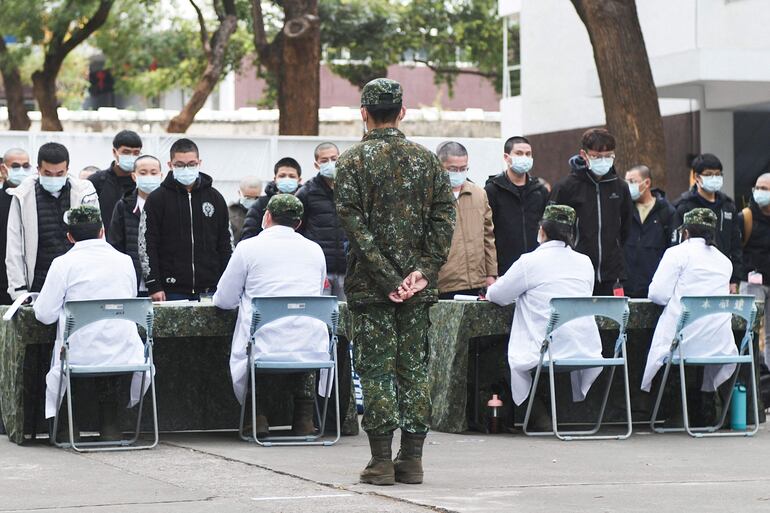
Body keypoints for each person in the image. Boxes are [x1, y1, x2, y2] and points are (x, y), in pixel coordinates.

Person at [336, 78, 455, 486]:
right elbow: (444, 220)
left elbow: (355, 227)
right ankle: (413, 459)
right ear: (402, 112)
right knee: (414, 370)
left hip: (372, 290)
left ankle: (381, 461)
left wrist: (388, 278)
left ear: (364, 113)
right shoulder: (428, 161)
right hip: (418, 290)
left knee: (377, 372)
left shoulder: (351, 162)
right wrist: (422, 272)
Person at [214, 194, 327, 436]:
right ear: (298, 223)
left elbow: (224, 299)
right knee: (301, 338)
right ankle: (304, 419)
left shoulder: (248, 248)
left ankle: (257, 417)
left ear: (266, 217)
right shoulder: (315, 250)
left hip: (264, 344)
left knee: (256, 343)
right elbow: (316, 295)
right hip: (311, 345)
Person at [33, 205, 148, 439]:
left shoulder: (63, 263)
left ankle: (68, 428)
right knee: (106, 352)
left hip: (78, 354)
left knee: (71, 355)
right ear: (102, 232)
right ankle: (110, 425)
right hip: (124, 351)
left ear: (70, 237)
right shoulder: (125, 261)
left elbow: (45, 315)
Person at [486, 205, 603, 412]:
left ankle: (533, 413)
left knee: (495, 353)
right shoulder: (585, 262)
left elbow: (497, 295)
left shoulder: (530, 261)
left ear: (542, 230)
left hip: (546, 349)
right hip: (584, 348)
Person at [641, 208, 737, 421]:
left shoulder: (676, 253)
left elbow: (657, 294)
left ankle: (668, 411)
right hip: (718, 344)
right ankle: (706, 408)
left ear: (685, 232)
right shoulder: (725, 262)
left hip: (682, 342)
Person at [140, 138, 232, 302]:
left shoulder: (215, 198)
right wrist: (154, 284)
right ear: (170, 165)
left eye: (191, 164)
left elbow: (226, 243)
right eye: (180, 165)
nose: (186, 169)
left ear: (199, 163)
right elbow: (147, 243)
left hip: (211, 288)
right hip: (170, 290)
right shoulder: (157, 199)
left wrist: (227, 282)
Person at [6, 142, 98, 300]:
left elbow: (96, 240)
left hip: (77, 281)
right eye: (48, 173)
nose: (54, 178)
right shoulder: (23, 196)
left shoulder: (84, 193)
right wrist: (19, 290)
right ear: (38, 169)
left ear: (67, 170)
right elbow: (14, 246)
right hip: (39, 282)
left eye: (60, 173)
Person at [549, 128, 633, 296]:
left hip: (612, 274)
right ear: (584, 154)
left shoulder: (620, 187)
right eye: (597, 156)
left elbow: (626, 226)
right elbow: (552, 229)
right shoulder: (566, 187)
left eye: (608, 156)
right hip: (576, 272)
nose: (603, 161)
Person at [672, 153, 742, 291]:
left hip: (722, 276)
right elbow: (675, 244)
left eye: (717, 174)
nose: (714, 178)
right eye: (709, 174)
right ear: (697, 177)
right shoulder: (684, 206)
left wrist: (735, 279)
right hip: (692, 277)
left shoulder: (728, 206)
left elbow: (736, 245)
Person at [436, 141, 497, 298]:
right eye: (453, 169)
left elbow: (488, 237)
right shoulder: (430, 196)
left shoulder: (478, 194)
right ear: (439, 166)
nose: (459, 173)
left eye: (463, 169)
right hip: (443, 284)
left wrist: (491, 274)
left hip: (477, 281)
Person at [484, 136, 548, 275]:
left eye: (528, 154)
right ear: (506, 157)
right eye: (519, 153)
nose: (524, 157)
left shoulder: (540, 191)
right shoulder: (492, 190)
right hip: (504, 269)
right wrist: (491, 272)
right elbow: (486, 233)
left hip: (535, 268)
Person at [295, 142, 347, 299]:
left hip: (346, 267)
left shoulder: (350, 188)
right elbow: (297, 229)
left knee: (345, 311)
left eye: (334, 159)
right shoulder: (306, 192)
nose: (330, 163)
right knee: (320, 311)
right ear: (316, 165)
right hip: (318, 268)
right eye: (324, 160)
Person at [108, 155, 163, 292]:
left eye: (153, 173)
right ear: (134, 176)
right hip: (133, 280)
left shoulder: (169, 204)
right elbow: (116, 244)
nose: (149, 177)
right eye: (143, 173)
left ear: (161, 176)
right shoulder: (124, 205)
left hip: (163, 282)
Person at [623, 165, 676, 298]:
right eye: (626, 182)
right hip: (627, 286)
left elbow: (672, 248)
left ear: (646, 183)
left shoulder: (666, 212)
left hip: (654, 287)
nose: (628, 186)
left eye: (632, 181)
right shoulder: (624, 209)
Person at [738, 173, 770, 366]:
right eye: (757, 188)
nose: (759, 192)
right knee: (748, 330)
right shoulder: (746, 217)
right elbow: (735, 250)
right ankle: (746, 375)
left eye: (764, 188)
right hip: (751, 282)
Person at [89, 130, 142, 235]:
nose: (132, 156)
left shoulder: (143, 183)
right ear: (114, 152)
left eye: (136, 153)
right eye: (126, 152)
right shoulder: (96, 181)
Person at [0, 148, 34, 305]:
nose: (21, 170)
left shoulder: (35, 199)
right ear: (3, 169)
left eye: (26, 166)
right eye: (15, 166)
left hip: (31, 281)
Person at [240, 157, 302, 241]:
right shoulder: (261, 204)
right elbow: (249, 235)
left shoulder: (306, 202)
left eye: (292, 176)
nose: (287, 179)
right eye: (282, 176)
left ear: (299, 180)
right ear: (275, 179)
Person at [228, 176, 262, 243]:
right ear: (239, 193)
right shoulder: (230, 212)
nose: (252, 201)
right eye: (248, 197)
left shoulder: (265, 212)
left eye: (256, 198)